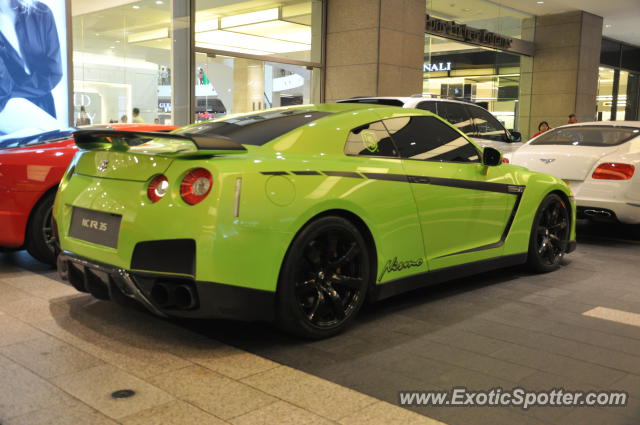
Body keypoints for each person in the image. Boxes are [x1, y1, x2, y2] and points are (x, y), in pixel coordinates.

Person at [0, 0, 63, 136]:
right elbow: (2, 87)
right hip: (4, 105)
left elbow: (53, 71)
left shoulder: (41, 13)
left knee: (57, 144)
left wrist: (19, 93)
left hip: (41, 102)